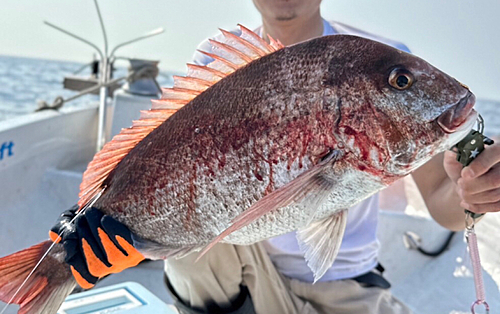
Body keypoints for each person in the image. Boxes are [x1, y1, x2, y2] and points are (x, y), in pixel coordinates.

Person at [51, 1, 500, 313]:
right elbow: (170, 158)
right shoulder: (215, 60)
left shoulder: (379, 57)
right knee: (190, 251)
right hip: (241, 276)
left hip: (347, 286)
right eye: (402, 82)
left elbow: (444, 204)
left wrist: (471, 192)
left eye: (400, 83)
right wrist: (113, 217)